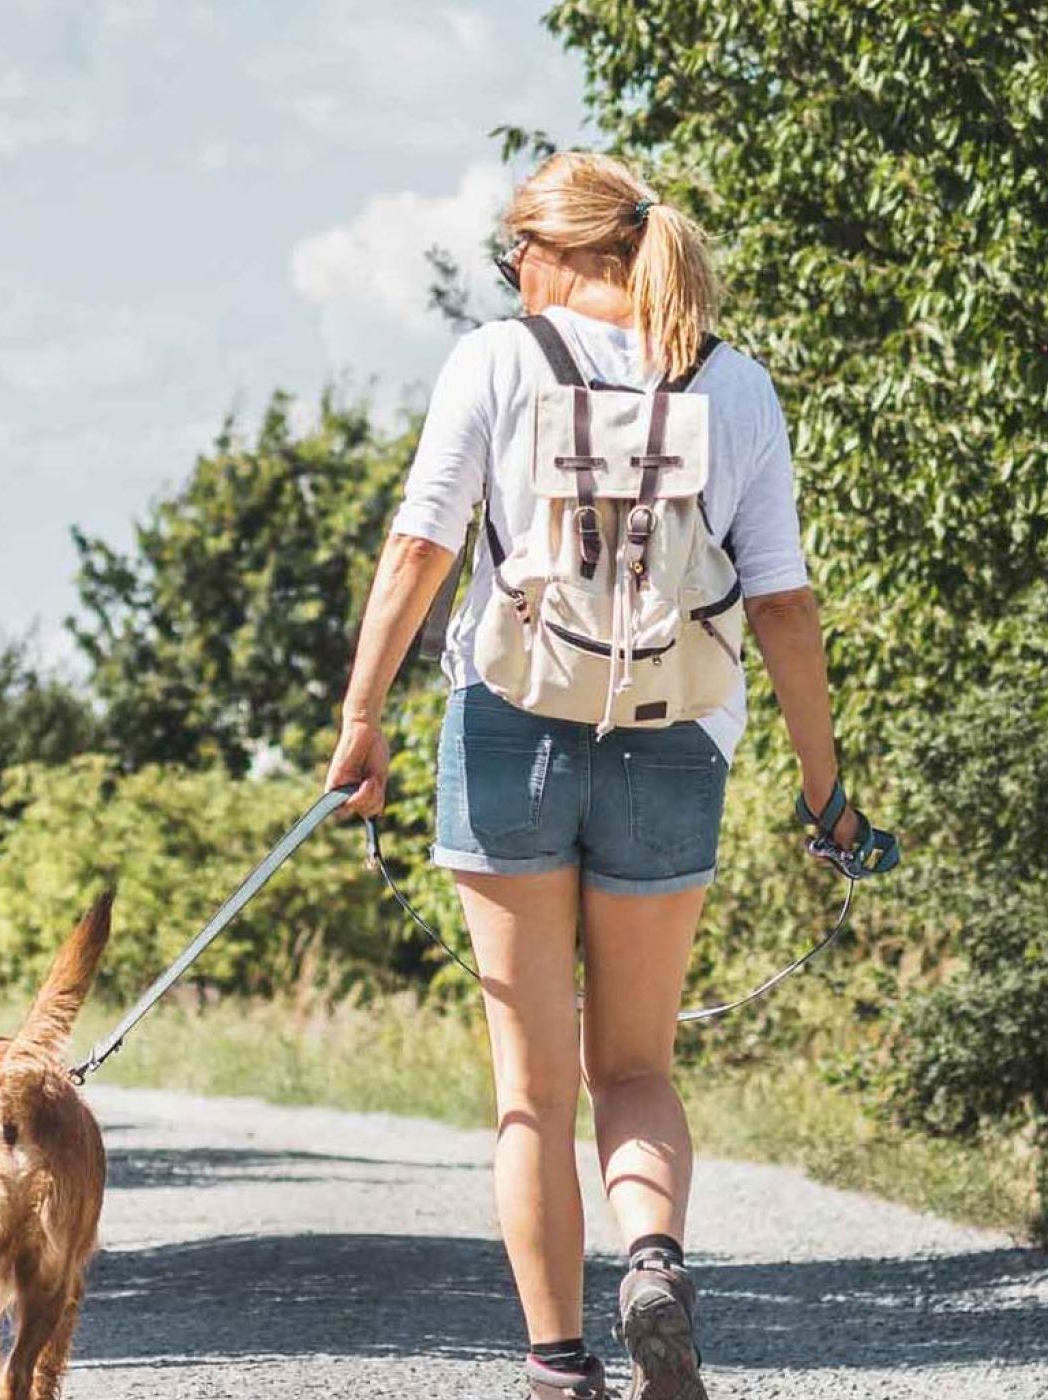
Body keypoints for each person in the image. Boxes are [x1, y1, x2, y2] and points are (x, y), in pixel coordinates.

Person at [321, 150, 882, 1400]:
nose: (510, 276)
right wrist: (823, 787)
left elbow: (422, 545)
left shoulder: (497, 359)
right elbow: (783, 607)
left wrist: (361, 720)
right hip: (675, 742)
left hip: (510, 729)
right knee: (634, 1066)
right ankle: (655, 1264)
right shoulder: (736, 387)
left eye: (514, 253)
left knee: (530, 1088)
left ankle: (557, 1363)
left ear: (556, 252)